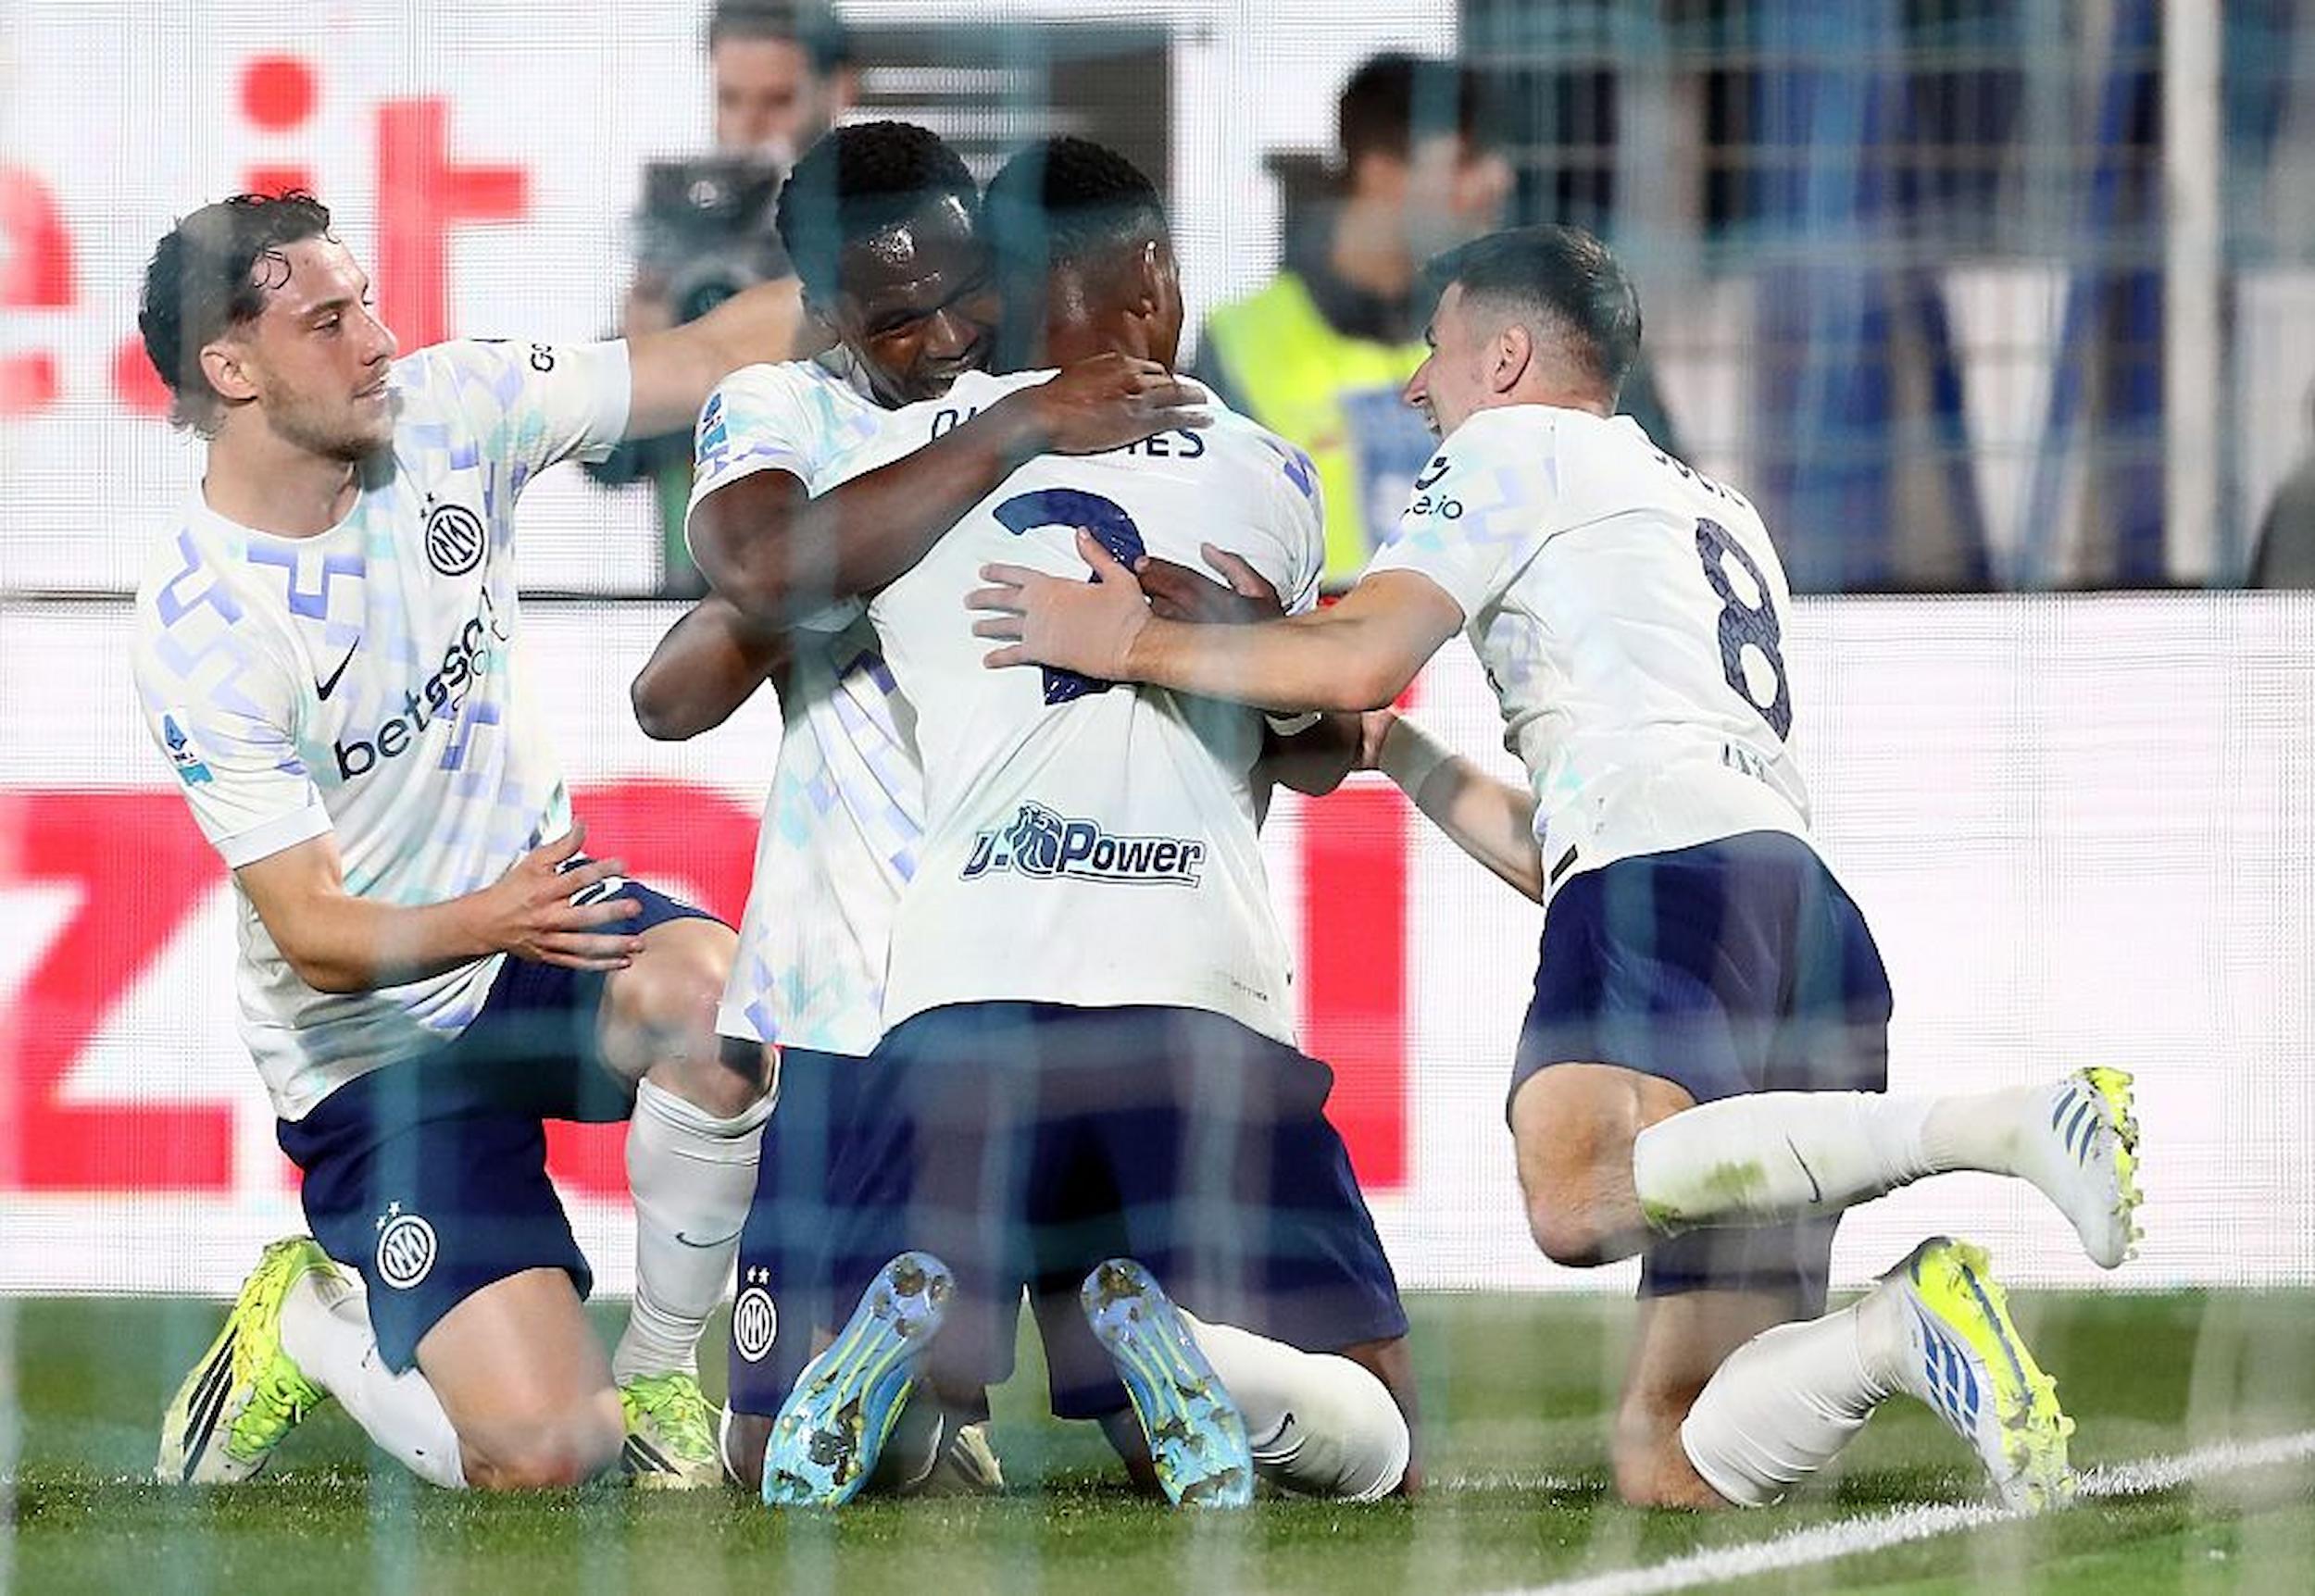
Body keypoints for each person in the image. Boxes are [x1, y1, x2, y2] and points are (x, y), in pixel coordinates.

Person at [970, 223, 2146, 1513]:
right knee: (1673, 1450)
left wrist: (1124, 641)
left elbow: (1359, 658)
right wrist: (1398, 751)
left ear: (1508, 357)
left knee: (1577, 1189)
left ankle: (2000, 1125)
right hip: (1795, 918)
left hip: (1674, 889)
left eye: (1436, 349)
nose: (1415, 386)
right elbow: (1574, 835)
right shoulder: (1709, 506)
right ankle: (1900, 1327)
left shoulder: (1511, 448)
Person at [761, 137, 1413, 1512]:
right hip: (1192, 995)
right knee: (1374, 1437)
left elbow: (743, 612)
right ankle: (1204, 1358)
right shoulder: (1265, 472)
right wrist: (1260, 646)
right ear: (1155, 273)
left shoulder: (902, 465)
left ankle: (901, 1380)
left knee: (911, 1436)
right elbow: (1316, 749)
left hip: (959, 1001)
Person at [133, 190, 806, 1491]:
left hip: (533, 946)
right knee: (542, 1456)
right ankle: (307, 1321)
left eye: (368, 301)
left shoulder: (453, 411)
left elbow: (711, 354)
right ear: (232, 369)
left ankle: (662, 1372)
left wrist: (899, 276)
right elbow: (316, 935)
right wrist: (492, 917)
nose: (377, 339)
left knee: (715, 1006)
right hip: (372, 1047)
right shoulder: (202, 625)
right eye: (327, 322)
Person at [626, 120, 1209, 1494]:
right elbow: (746, 585)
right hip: (860, 981)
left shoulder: (1079, 397)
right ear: (826, 310)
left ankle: (960, 1374)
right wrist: (1007, 437)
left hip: (1058, 958)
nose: (947, 336)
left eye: (966, 291)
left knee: (1162, 1439)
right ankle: (925, 1385)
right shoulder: (787, 412)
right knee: (802, 1453)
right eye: (899, 318)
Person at [1196, 53, 1511, 588]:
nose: (1498, 180)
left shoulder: (1514, 329)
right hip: (1312, 634)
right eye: (1464, 161)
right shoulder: (1237, 342)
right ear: (1381, 172)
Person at [598, 2, 857, 594]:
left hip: (848, 579)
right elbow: (611, 461)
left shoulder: (893, 231)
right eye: (730, 100)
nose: (749, 127)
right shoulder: (682, 227)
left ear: (838, 90)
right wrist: (645, 350)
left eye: (778, 101)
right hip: (706, 594)